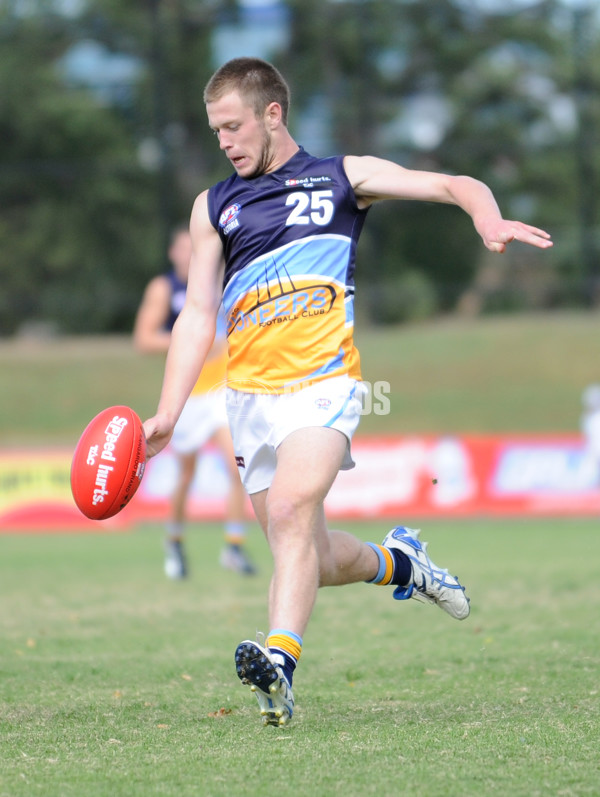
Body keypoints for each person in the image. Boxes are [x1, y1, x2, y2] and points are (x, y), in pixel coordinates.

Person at [142, 58, 553, 725]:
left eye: (233, 126)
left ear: (272, 113)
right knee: (302, 548)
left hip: (324, 381)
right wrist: (168, 409)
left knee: (294, 509)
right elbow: (197, 316)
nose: (224, 142)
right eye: (215, 131)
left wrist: (488, 217)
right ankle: (401, 563)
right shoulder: (213, 205)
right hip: (248, 397)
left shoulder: (340, 177)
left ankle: (280, 663)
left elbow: (455, 182)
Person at [133, 224, 255, 579]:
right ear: (173, 253)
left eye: (195, 248)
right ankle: (174, 541)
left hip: (223, 390)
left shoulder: (223, 281)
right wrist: (194, 339)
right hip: (186, 395)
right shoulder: (164, 288)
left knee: (238, 466)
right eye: (184, 249)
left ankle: (233, 547)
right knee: (186, 475)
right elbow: (143, 339)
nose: (191, 255)